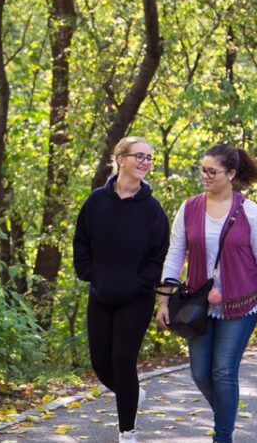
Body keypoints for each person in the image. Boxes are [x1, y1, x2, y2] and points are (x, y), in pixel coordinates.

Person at [155, 143, 257, 443]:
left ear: (231, 174)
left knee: (223, 372)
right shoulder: (189, 208)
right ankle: (225, 414)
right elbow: (174, 256)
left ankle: (222, 437)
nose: (206, 176)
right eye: (203, 170)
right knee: (200, 373)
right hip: (198, 304)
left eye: (212, 171)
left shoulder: (250, 212)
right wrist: (163, 300)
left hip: (241, 305)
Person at [73, 136, 170, 443]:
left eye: (150, 158)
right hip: (101, 294)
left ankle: (127, 432)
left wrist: (139, 285)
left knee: (123, 362)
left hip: (135, 299)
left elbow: (158, 256)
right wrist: (91, 275)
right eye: (139, 156)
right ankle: (132, 393)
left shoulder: (153, 211)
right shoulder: (96, 202)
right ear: (121, 159)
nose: (145, 162)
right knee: (101, 363)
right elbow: (81, 241)